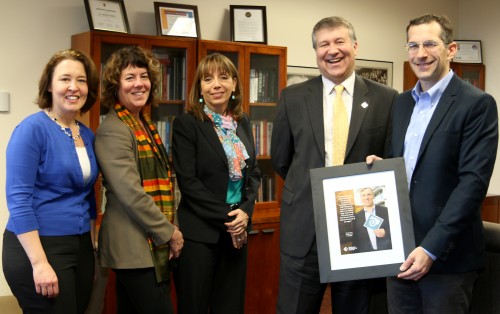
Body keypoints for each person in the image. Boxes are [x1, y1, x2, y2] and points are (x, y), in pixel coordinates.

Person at [366, 14, 498, 313]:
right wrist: (382, 168)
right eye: (413, 45)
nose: (420, 53)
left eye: (429, 44)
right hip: (399, 251)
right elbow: (405, 169)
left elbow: (472, 184)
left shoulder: (477, 104)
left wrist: (431, 249)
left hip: (447, 259)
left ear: (450, 49)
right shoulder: (401, 103)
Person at [271, 16, 398, 313]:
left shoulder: (386, 99)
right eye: (324, 44)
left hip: (358, 227)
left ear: (354, 46)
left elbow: (391, 157)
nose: (333, 50)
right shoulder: (293, 97)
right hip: (304, 226)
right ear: (316, 52)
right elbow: (281, 160)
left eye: (340, 41)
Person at [3, 49, 99, 313]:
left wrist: (90, 248)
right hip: (38, 246)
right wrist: (39, 263)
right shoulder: (32, 130)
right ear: (48, 84)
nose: (74, 87)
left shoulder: (88, 134)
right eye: (65, 79)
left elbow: (88, 196)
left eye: (81, 80)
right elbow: (18, 200)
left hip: (78, 245)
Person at [95, 46, 184, 314]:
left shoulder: (144, 124)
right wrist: (170, 232)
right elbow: (131, 194)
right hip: (132, 248)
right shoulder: (114, 129)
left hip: (146, 245)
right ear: (116, 86)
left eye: (144, 76)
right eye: (129, 77)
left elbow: (167, 184)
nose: (139, 84)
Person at [172, 53, 261, 314]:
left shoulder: (242, 122)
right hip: (201, 234)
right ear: (199, 87)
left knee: (230, 306)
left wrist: (245, 212)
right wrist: (232, 218)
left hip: (237, 233)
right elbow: (189, 183)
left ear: (234, 83)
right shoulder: (187, 125)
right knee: (194, 307)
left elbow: (252, 173)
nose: (216, 85)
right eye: (208, 79)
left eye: (224, 77)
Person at [352, 187, 391, 253]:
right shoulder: (357, 216)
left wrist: (385, 232)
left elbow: (397, 229)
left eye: (369, 194)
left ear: (373, 196)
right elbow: (355, 239)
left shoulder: (386, 211)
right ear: (361, 198)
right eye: (363, 195)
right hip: (366, 254)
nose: (366, 197)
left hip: (386, 251)